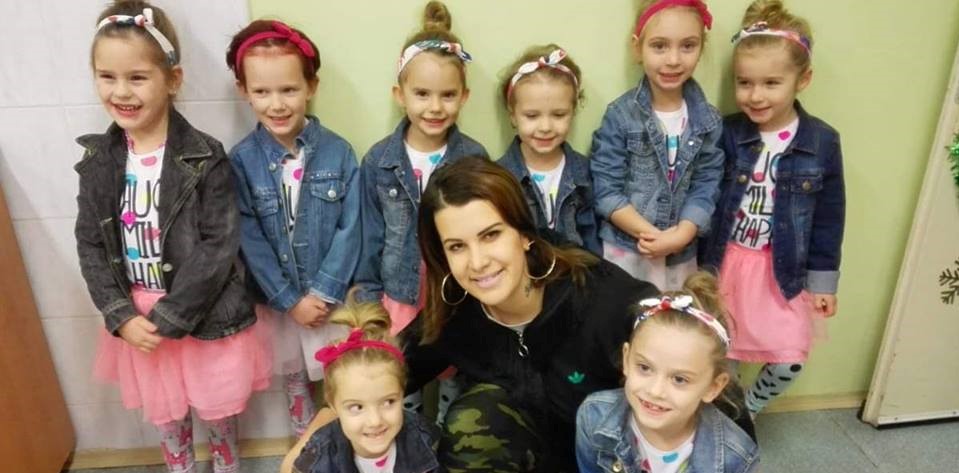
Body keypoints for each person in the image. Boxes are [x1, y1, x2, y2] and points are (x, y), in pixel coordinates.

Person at [76, 2, 270, 471]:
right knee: (167, 417)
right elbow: (91, 243)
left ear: (173, 79)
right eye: (107, 77)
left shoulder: (205, 156)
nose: (121, 91)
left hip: (203, 317)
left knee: (219, 415)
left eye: (137, 77)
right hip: (139, 321)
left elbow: (218, 243)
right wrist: (119, 313)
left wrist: (174, 312)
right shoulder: (98, 161)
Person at [404, 155, 659, 471]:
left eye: (491, 235)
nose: (478, 262)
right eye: (457, 246)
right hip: (525, 460)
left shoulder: (601, 297)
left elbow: (688, 353)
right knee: (476, 416)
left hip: (609, 461)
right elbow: (381, 369)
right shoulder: (455, 310)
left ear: (524, 235)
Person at [699, 0, 845, 417]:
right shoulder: (727, 132)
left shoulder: (821, 142)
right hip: (725, 263)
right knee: (721, 351)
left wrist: (823, 282)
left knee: (788, 356)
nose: (755, 95)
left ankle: (749, 407)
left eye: (771, 83)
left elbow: (830, 217)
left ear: (803, 80)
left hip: (780, 269)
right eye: (744, 83)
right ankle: (724, 415)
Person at [353, 0, 487, 420]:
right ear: (400, 95)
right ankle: (409, 435)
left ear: (464, 96)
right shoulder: (380, 161)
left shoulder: (474, 158)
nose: (435, 107)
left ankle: (447, 436)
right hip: (400, 296)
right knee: (402, 375)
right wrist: (370, 302)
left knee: (454, 375)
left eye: (448, 95)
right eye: (422, 94)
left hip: (457, 293)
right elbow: (370, 235)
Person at [226, 19, 360, 437]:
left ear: (311, 86)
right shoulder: (241, 161)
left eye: (288, 89)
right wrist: (290, 299)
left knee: (343, 379)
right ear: (244, 91)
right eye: (262, 92)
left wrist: (322, 292)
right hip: (280, 304)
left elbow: (351, 226)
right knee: (296, 383)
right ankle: (307, 448)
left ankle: (345, 446)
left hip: (330, 300)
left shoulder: (339, 152)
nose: (277, 104)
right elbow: (248, 238)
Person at [590, 0, 724, 291]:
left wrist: (680, 236)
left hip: (681, 254)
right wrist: (653, 236)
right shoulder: (620, 115)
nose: (673, 59)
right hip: (626, 251)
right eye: (659, 46)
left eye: (687, 46)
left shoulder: (709, 121)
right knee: (628, 315)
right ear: (638, 48)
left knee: (674, 316)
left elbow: (707, 185)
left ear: (701, 47)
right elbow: (606, 189)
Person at [575, 273, 759, 472]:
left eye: (679, 379)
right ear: (626, 359)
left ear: (713, 387)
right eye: (645, 368)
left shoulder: (737, 458)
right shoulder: (593, 416)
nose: (655, 391)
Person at [290, 297, 443, 473]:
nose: (375, 421)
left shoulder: (424, 438)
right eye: (357, 407)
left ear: (402, 393)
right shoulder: (317, 459)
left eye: (388, 402)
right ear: (333, 405)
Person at [495, 44, 601, 254]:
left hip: (577, 271)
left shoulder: (585, 173)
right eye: (532, 116)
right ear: (513, 115)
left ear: (573, 112)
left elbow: (591, 239)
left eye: (559, 115)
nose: (545, 127)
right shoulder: (499, 177)